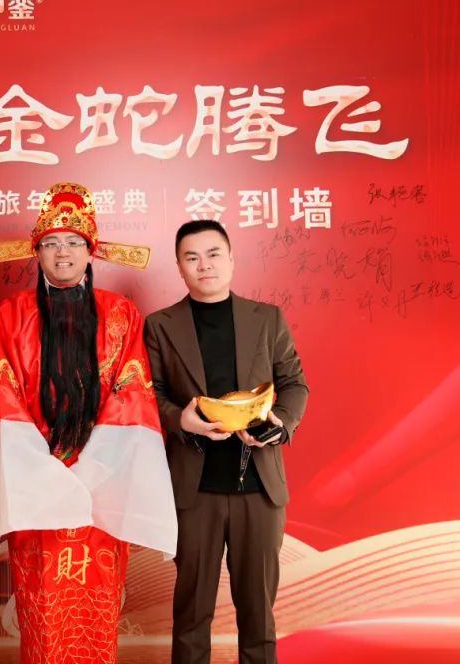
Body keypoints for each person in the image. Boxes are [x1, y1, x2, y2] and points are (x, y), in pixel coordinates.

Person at [0, 182, 178, 664]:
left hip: (103, 486)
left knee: (96, 602)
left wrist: (92, 466)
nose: (62, 252)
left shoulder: (121, 314)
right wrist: (44, 467)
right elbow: (3, 396)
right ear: (36, 253)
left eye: (73, 242)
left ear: (91, 252)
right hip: (36, 486)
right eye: (51, 243)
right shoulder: (11, 316)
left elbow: (133, 393)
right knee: (41, 607)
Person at [143, 219, 309, 664]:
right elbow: (149, 393)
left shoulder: (267, 318)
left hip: (259, 486)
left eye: (214, 254)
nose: (205, 265)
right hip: (195, 488)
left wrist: (280, 425)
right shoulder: (160, 325)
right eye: (192, 257)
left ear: (231, 259)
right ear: (179, 266)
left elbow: (294, 384)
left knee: (258, 614)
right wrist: (181, 421)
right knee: (191, 612)